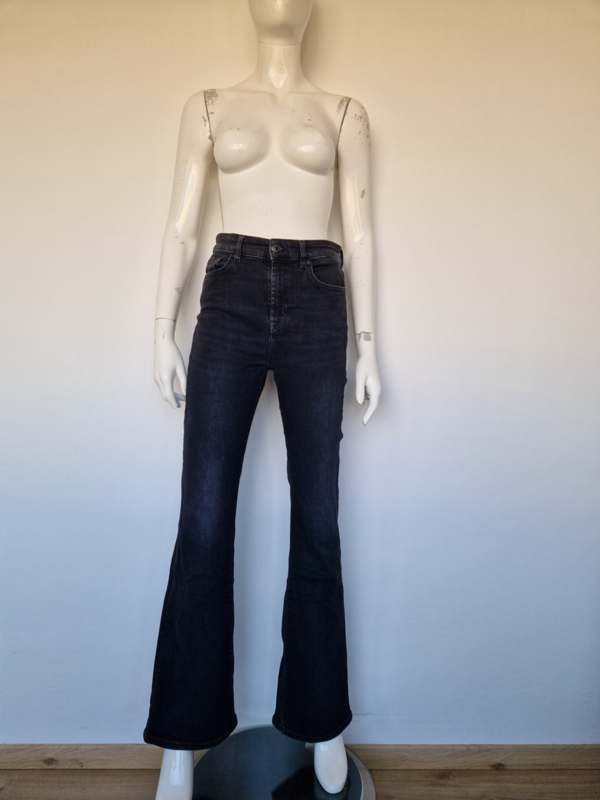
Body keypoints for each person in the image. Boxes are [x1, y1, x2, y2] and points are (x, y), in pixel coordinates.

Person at [144, 1, 381, 796]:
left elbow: (361, 234)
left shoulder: (344, 113)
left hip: (319, 294)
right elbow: (182, 226)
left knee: (317, 519)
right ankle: (181, 743)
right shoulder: (209, 106)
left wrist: (368, 345)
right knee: (204, 521)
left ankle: (322, 722)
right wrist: (160, 329)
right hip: (232, 291)